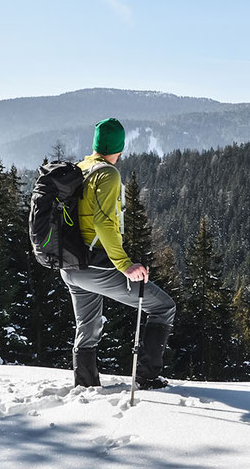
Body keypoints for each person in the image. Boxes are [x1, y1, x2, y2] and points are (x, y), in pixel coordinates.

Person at [60, 117, 176, 389]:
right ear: (120, 147)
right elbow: (103, 222)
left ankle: (86, 385)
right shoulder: (107, 174)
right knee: (162, 307)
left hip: (70, 265)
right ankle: (147, 377)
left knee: (87, 327)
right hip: (96, 266)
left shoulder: (81, 168)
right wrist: (125, 265)